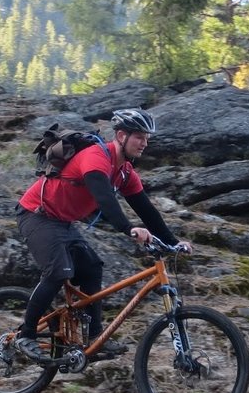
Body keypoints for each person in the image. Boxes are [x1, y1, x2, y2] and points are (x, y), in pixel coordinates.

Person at [14, 108, 192, 362]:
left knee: (93, 268)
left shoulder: (125, 172)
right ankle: (26, 335)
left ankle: (94, 338)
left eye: (147, 138)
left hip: (62, 221)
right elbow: (104, 199)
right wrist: (129, 229)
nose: (145, 143)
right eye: (139, 137)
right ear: (121, 135)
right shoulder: (96, 157)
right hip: (36, 214)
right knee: (57, 271)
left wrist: (174, 243)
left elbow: (146, 210)